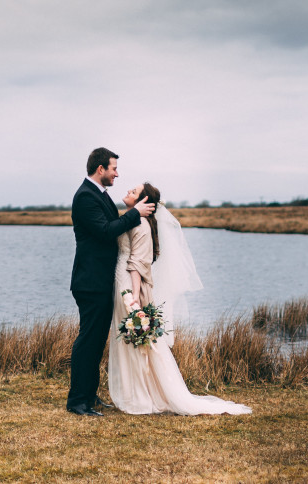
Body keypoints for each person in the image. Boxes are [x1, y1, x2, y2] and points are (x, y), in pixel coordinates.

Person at [107, 182, 252, 415]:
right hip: (121, 280)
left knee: (137, 341)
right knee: (131, 340)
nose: (127, 192)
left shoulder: (141, 223)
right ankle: (135, 392)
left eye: (133, 192)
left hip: (128, 286)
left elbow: (138, 264)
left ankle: (143, 396)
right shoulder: (133, 219)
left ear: (144, 202)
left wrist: (134, 296)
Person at [67, 147, 155, 417]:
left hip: (102, 281)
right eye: (114, 168)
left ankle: (89, 395)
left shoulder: (99, 195)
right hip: (90, 281)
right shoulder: (85, 197)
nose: (117, 173)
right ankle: (77, 402)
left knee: (95, 342)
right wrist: (135, 213)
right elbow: (105, 232)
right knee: (88, 341)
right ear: (100, 169)